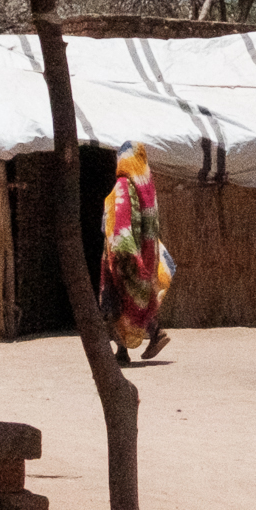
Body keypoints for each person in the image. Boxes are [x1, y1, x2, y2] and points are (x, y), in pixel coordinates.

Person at [100, 144, 173, 363]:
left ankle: (125, 349)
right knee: (138, 298)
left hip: (125, 252)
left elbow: (121, 220)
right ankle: (151, 334)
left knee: (117, 301)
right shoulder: (146, 186)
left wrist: (123, 254)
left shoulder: (123, 185)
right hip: (145, 253)